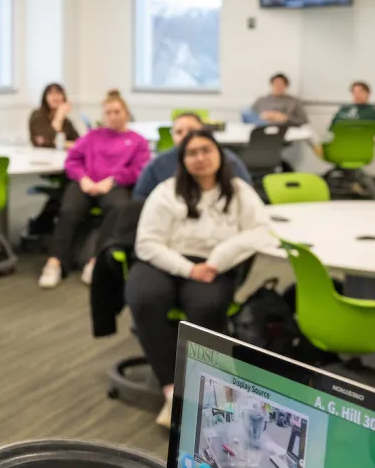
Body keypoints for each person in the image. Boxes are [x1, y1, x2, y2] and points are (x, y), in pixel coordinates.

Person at [129, 131, 276, 426]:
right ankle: (172, 391)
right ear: (183, 161)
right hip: (165, 259)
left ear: (220, 154)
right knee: (145, 299)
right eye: (192, 153)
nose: (200, 158)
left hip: (212, 264)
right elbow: (146, 243)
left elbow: (262, 231)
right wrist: (188, 269)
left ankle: (199, 386)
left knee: (207, 307)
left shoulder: (238, 191)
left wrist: (219, 257)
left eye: (206, 150)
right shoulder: (166, 191)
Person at [40, 92, 151, 288]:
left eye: (117, 112)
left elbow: (138, 169)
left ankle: (95, 261)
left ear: (126, 113)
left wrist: (113, 180)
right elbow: (72, 160)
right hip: (86, 182)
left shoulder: (137, 141)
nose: (113, 116)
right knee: (68, 210)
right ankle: (55, 261)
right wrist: (82, 178)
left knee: (118, 209)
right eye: (108, 112)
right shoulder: (92, 136)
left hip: (113, 185)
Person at [133, 111, 253, 200]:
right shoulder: (158, 164)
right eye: (179, 132)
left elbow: (247, 194)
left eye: (191, 131)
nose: (185, 136)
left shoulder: (228, 160)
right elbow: (141, 197)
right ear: (172, 136)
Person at [28, 82, 80, 149]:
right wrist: (59, 116)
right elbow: (48, 138)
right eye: (51, 93)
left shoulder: (66, 121)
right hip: (42, 155)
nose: (55, 97)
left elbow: (78, 141)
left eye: (58, 93)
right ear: (45, 97)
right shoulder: (37, 115)